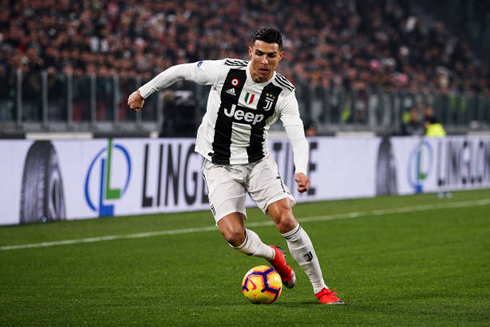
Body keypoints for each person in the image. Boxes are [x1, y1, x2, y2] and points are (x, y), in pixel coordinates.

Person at [127, 27, 343, 305]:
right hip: (218, 164)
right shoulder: (225, 71)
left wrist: (301, 168)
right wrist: (142, 92)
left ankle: (321, 289)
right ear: (250, 52)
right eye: (260, 54)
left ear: (281, 56)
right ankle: (273, 256)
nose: (265, 61)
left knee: (286, 219)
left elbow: (297, 135)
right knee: (233, 235)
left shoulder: (283, 93)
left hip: (257, 162)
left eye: (272, 56)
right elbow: (180, 70)